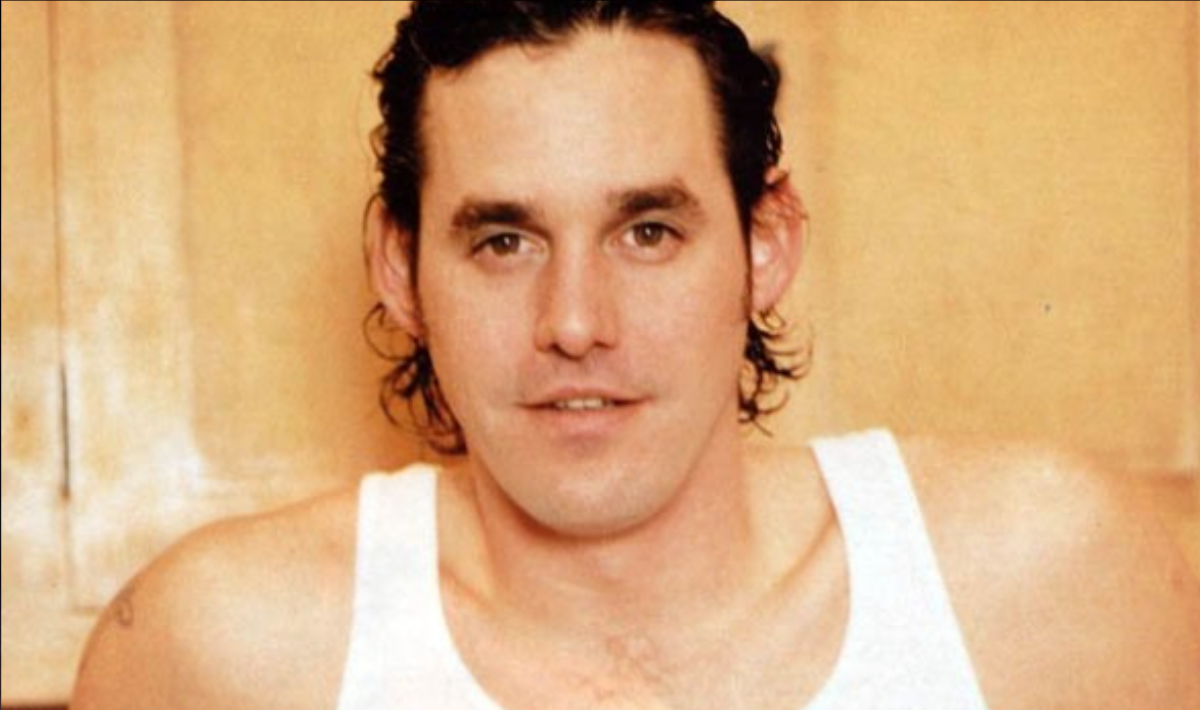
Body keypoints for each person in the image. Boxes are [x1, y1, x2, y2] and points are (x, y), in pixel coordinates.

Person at [72, 2, 1199, 709]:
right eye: (504, 240)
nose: (576, 320)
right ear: (401, 267)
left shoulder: (1054, 581)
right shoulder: (220, 652)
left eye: (647, 231)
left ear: (765, 244)